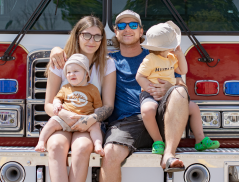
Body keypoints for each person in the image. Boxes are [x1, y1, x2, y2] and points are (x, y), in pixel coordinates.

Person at [49, 10, 189, 181]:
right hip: (126, 123)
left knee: (180, 91)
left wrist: (170, 85)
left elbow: (181, 84)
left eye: (133, 25)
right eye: (121, 26)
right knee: (109, 154)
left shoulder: (158, 55)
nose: (127, 29)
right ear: (115, 32)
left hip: (160, 117)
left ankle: (168, 155)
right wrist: (56, 49)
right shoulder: (109, 62)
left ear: (141, 31)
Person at [44, 16, 116, 182]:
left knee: (83, 147)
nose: (92, 41)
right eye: (87, 35)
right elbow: (48, 104)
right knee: (55, 146)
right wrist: (64, 116)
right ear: (77, 35)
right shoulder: (60, 61)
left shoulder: (107, 64)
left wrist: (88, 120)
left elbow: (108, 106)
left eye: (97, 36)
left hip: (89, 124)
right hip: (61, 122)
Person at [137, 21, 220, 155]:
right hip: (150, 93)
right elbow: (139, 76)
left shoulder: (171, 58)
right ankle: (158, 141)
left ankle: (200, 139)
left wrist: (180, 55)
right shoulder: (149, 59)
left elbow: (183, 70)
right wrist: (149, 88)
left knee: (193, 108)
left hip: (170, 94)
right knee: (147, 110)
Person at [35, 54, 105, 156]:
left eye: (76, 71)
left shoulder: (93, 89)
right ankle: (41, 142)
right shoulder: (65, 88)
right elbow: (57, 98)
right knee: (52, 122)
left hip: (84, 120)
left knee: (95, 126)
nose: (71, 74)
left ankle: (98, 145)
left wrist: (93, 118)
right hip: (64, 120)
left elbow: (98, 106)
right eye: (68, 72)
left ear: (86, 74)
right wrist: (57, 104)